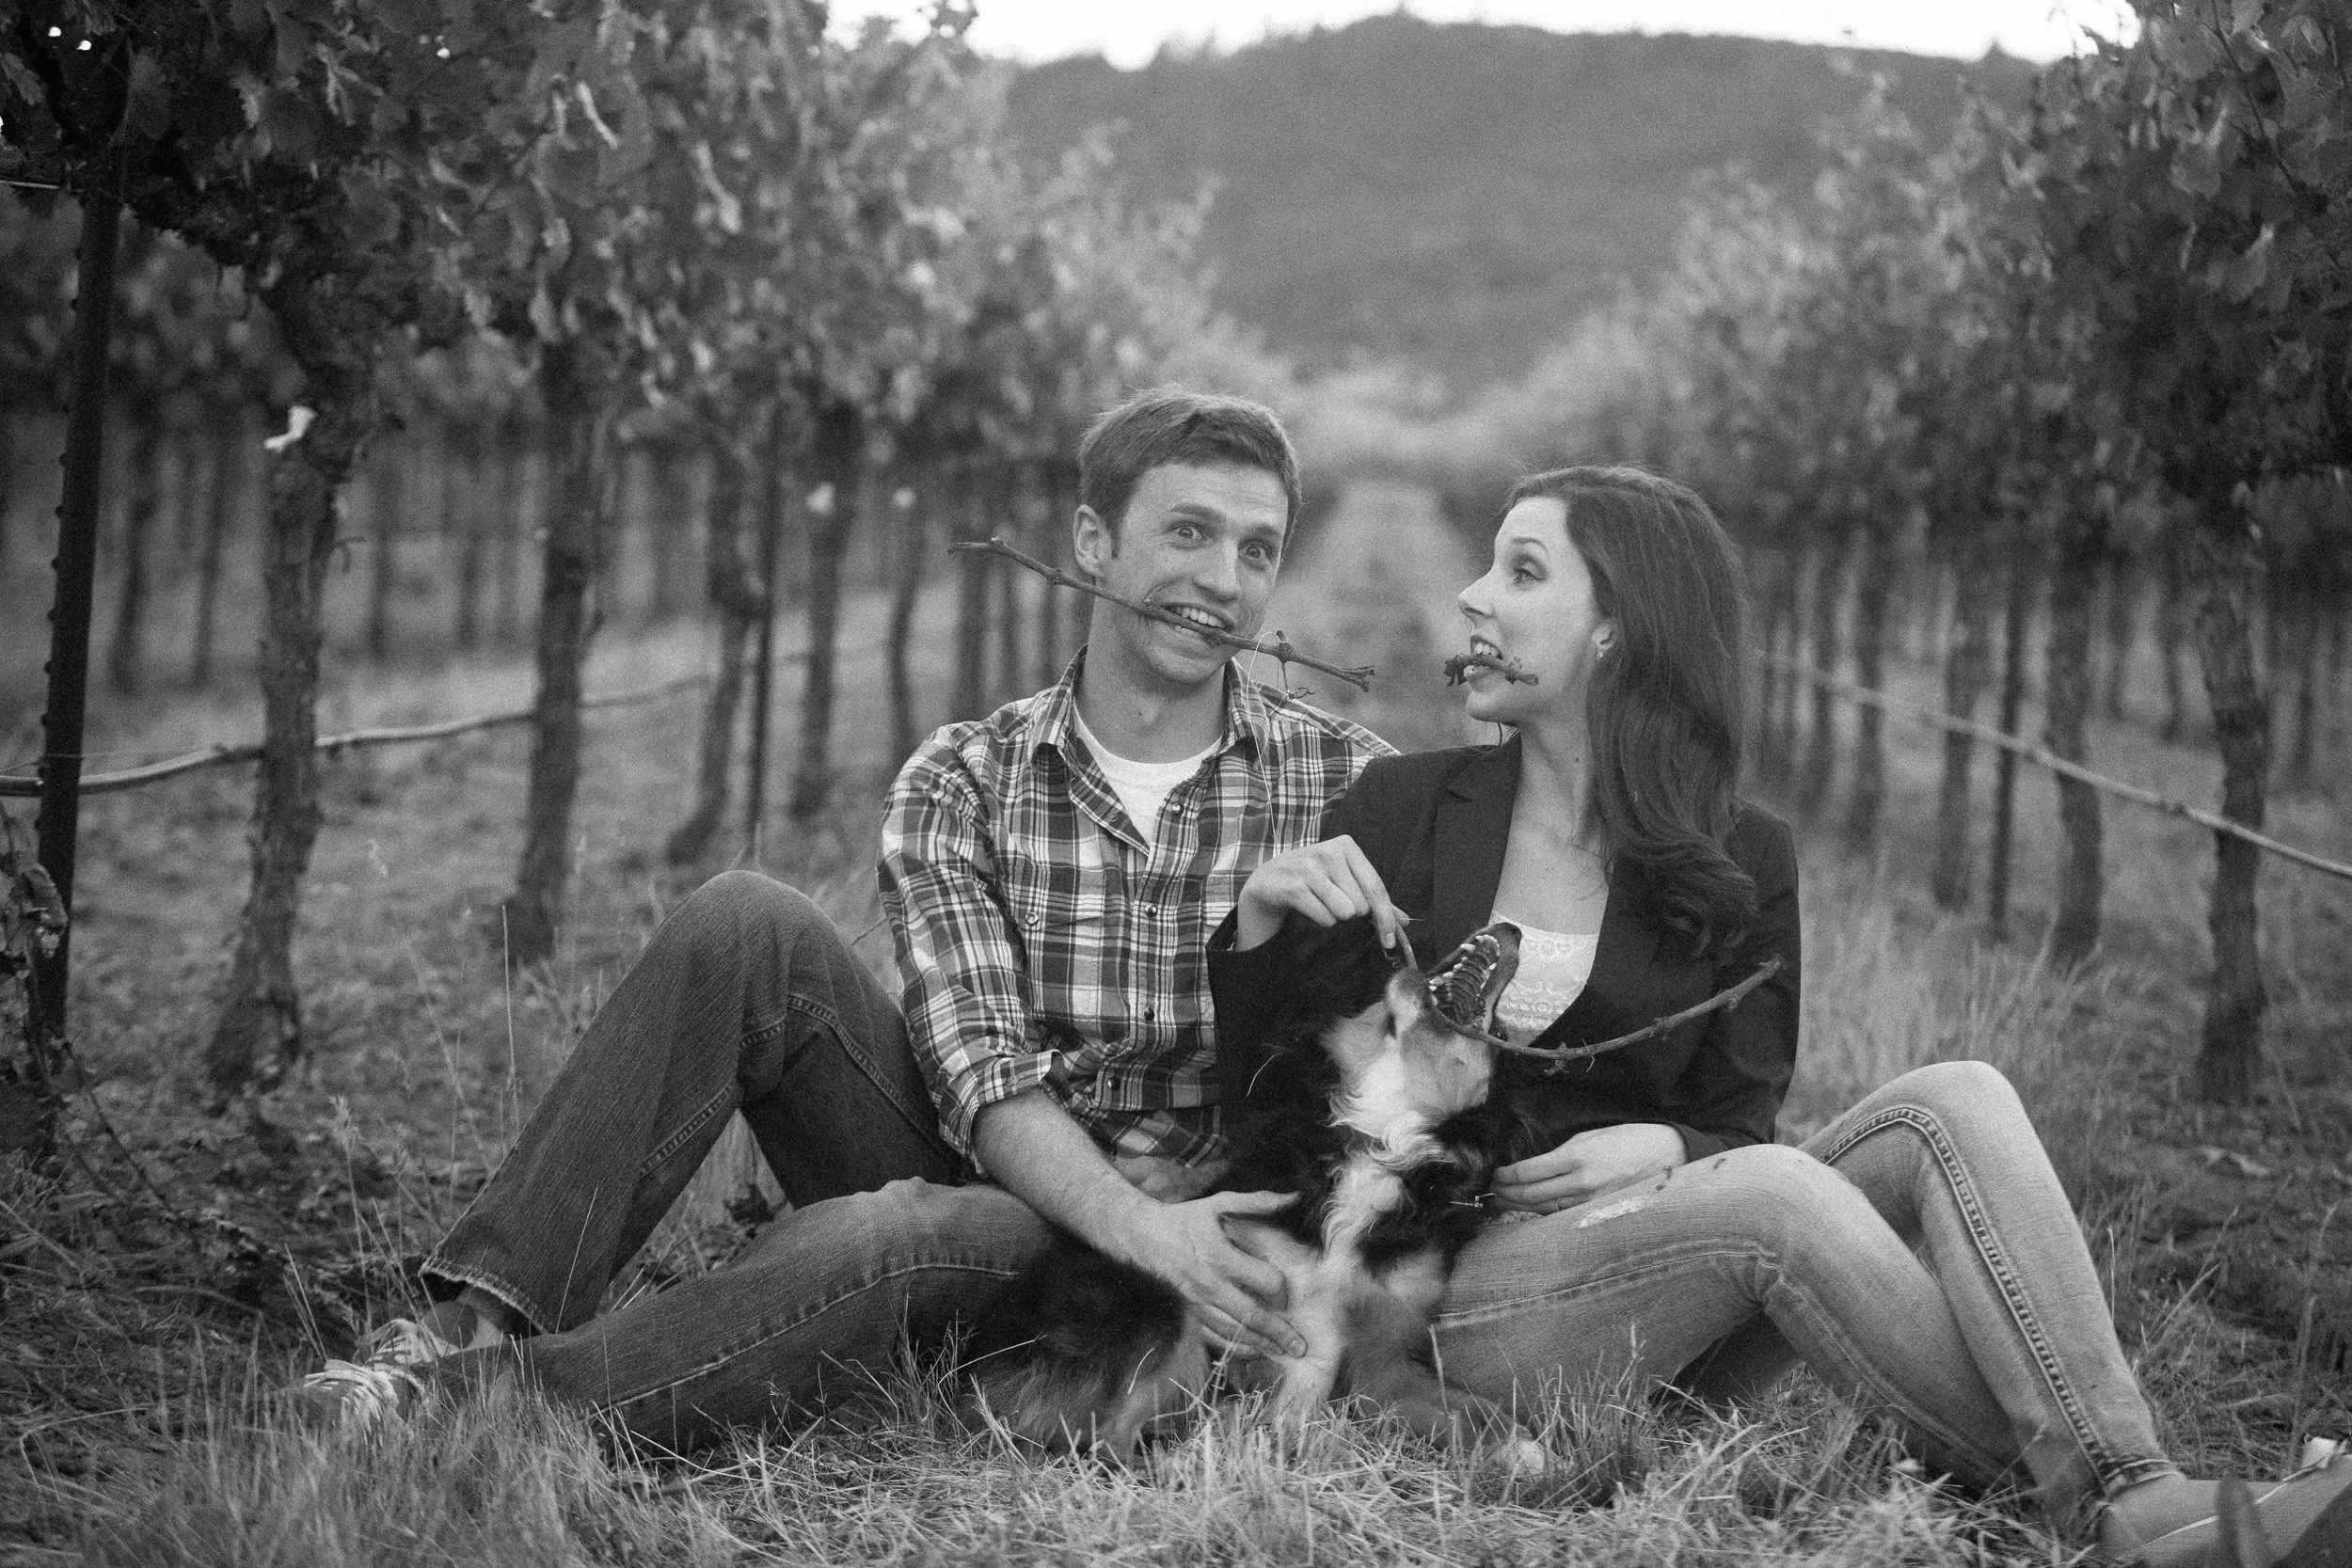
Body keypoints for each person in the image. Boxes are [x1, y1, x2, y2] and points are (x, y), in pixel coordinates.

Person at [1207, 465, 2350, 1568]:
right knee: (1774, 1192)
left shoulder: (1742, 858)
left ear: (1616, 629)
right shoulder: (1401, 808)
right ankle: (2143, 1508)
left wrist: (1671, 1145)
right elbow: (1269, 1105)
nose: (1470, 596)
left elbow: (1737, 1118)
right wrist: (1258, 928)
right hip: (1443, 1288)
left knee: (1956, 1095)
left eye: (1520, 570)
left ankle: (2132, 1488)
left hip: (1662, 1290)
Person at [301, 387, 1391, 1446]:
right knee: (745, 924)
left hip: (1150, 1254)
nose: (1222, 579)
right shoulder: (963, 777)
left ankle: (464, 1410)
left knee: (891, 1229)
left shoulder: (1345, 782)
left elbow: (1447, 1024)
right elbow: (981, 1076)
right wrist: (1141, 1221)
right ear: (1092, 541)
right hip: (1014, 1175)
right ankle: (463, 1325)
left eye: (1256, 549)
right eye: (1189, 531)